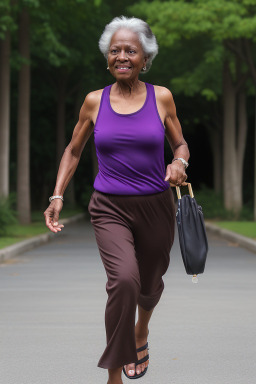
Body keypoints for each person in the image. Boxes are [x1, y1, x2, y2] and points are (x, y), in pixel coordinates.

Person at [44, 15, 189, 384]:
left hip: (156, 204)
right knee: (124, 281)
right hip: (109, 206)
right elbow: (74, 151)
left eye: (130, 50)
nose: (122, 56)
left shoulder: (162, 97)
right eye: (115, 50)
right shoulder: (94, 102)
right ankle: (114, 375)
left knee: (149, 284)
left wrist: (179, 162)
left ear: (145, 58)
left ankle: (142, 331)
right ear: (107, 58)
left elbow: (180, 143)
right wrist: (57, 194)